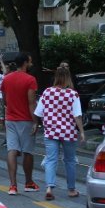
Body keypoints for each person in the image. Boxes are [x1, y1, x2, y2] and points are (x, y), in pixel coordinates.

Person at [32, 66, 84, 200]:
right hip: (68, 133)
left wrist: (46, 121)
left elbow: (38, 112)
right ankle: (71, 190)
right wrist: (82, 132)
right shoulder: (73, 94)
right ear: (68, 78)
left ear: (56, 77)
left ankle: (49, 187)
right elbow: (77, 115)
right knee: (70, 161)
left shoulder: (47, 92)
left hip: (51, 132)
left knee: (50, 160)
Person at [0, 52, 39, 195]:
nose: (31, 63)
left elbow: (4, 99)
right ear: (25, 63)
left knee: (12, 150)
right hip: (26, 119)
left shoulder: (6, 79)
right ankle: (28, 182)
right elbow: (31, 103)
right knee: (27, 151)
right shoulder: (30, 80)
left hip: (10, 118)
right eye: (30, 61)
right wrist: (36, 121)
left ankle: (12, 185)